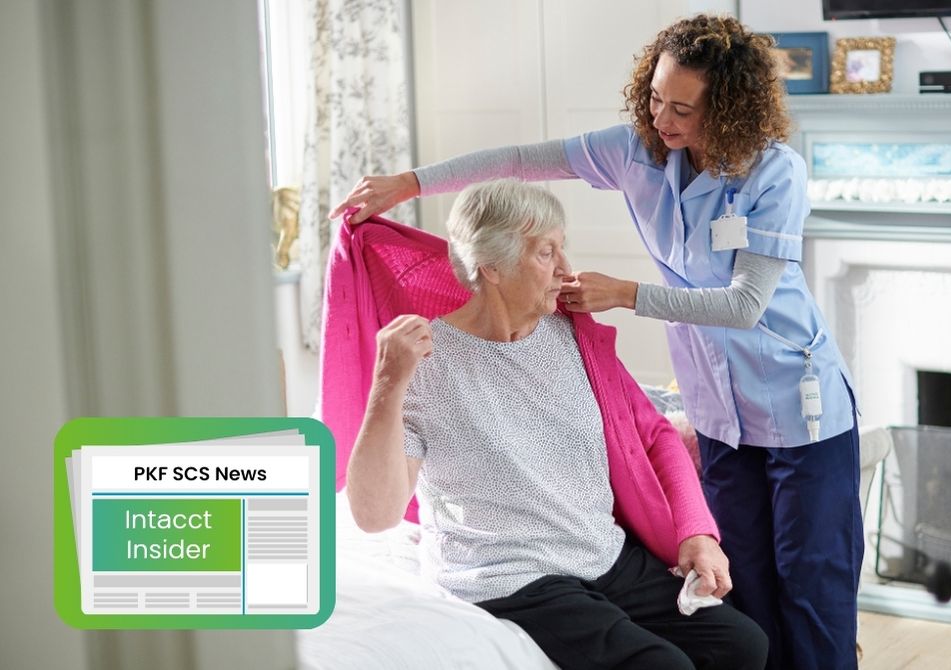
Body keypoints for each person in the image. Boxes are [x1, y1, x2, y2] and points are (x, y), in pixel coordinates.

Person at [332, 14, 862, 670]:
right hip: (719, 409)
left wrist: (625, 293)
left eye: (683, 109)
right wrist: (410, 182)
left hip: (795, 399)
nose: (662, 119)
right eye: (655, 97)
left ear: (725, 112)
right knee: (749, 588)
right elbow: (525, 160)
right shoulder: (637, 151)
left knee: (813, 591)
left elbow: (746, 305)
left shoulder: (772, 174)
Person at [345, 179, 768, 670]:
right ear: (492, 266)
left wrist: (698, 534)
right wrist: (387, 383)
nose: (566, 268)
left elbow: (654, 436)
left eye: (561, 248)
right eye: (547, 252)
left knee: (741, 644)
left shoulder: (573, 334)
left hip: (599, 552)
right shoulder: (426, 363)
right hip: (509, 572)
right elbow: (374, 515)